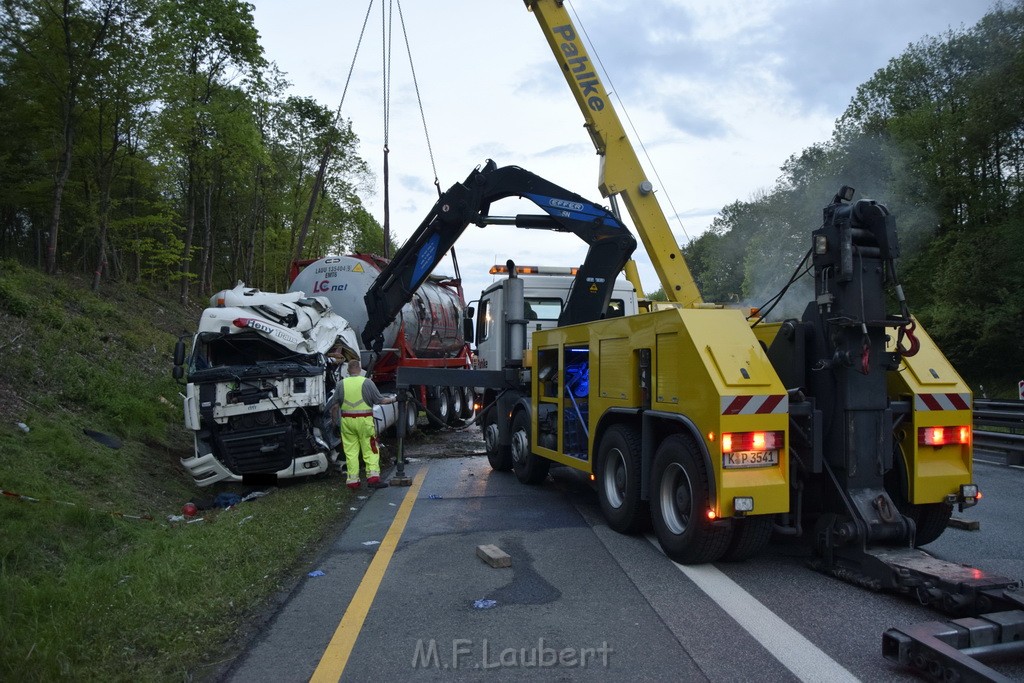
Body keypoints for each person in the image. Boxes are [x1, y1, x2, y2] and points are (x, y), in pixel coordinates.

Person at [340, 359, 396, 489]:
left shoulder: (341, 384)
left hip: (347, 422)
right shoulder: (367, 383)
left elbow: (335, 406)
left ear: (348, 370)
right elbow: (380, 400)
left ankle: (353, 481)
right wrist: (395, 399)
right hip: (364, 421)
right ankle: (373, 479)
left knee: (351, 452)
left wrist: (336, 422)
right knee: (370, 449)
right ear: (359, 369)